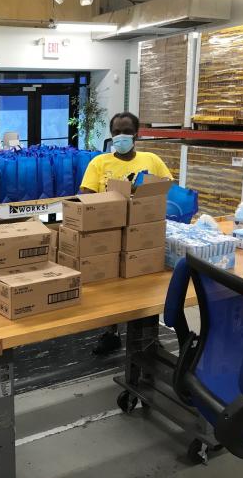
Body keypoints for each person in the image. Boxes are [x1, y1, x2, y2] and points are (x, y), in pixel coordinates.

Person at [80, 112, 173, 356]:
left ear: (136, 134)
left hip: (144, 233)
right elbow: (85, 194)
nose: (121, 137)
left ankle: (149, 337)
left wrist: (140, 192)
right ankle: (110, 333)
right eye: (116, 132)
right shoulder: (99, 163)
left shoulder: (151, 159)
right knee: (109, 289)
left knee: (146, 285)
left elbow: (168, 187)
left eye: (126, 132)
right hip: (109, 233)